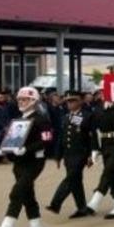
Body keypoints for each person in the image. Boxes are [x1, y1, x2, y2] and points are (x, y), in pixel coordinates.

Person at [0, 87, 54, 227]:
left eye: (25, 99)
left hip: (34, 161)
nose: (21, 102)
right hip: (19, 161)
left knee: (17, 191)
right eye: (19, 99)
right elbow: (11, 139)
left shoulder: (41, 118)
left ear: (33, 101)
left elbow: (47, 140)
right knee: (27, 194)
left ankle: (7, 226)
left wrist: (26, 149)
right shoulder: (19, 119)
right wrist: (3, 149)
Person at [47, 91, 95, 219]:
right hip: (68, 154)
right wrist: (57, 155)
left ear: (80, 101)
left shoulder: (87, 116)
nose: (70, 103)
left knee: (70, 178)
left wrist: (92, 154)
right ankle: (82, 208)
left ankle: (55, 204)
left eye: (73, 100)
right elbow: (61, 137)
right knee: (76, 182)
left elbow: (92, 137)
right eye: (68, 101)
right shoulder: (65, 117)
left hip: (81, 153)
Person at [85, 94, 114, 219]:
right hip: (105, 143)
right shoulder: (98, 108)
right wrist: (94, 149)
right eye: (102, 91)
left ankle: (97, 197)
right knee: (113, 173)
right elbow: (94, 130)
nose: (103, 94)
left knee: (109, 168)